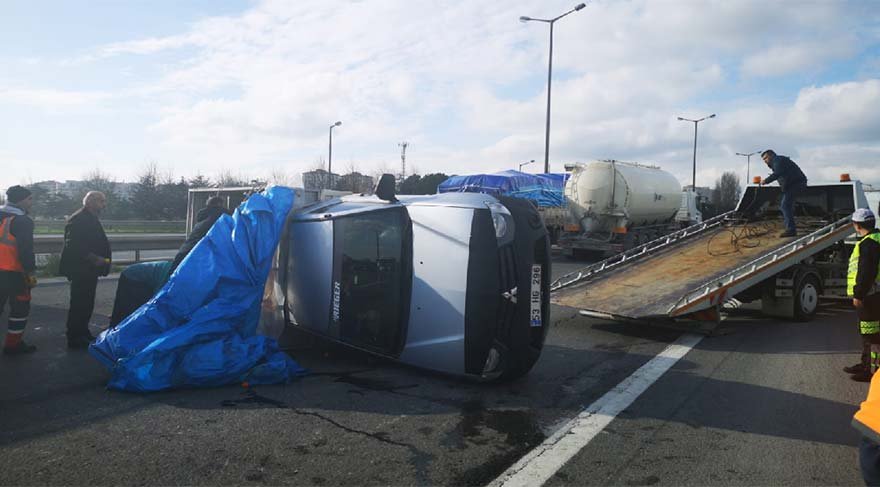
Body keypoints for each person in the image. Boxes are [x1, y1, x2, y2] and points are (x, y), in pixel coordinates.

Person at [60, 191, 111, 349]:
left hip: (88, 270)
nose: (104, 204)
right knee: (79, 303)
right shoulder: (78, 219)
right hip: (81, 269)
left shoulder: (89, 217)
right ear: (91, 202)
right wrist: (95, 258)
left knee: (86, 302)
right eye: (101, 201)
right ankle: (75, 336)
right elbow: (74, 245)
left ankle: (83, 332)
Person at [0, 186, 38, 355]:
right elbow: (25, 251)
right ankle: (13, 345)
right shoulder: (23, 221)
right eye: (30, 199)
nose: (31, 203)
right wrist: (31, 273)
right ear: (22, 200)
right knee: (20, 309)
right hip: (14, 273)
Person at [845, 208, 880, 383]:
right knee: (868, 333)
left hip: (870, 296)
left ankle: (872, 371)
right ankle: (866, 364)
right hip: (874, 294)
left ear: (857, 225)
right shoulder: (876, 239)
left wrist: (858, 294)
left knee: (871, 335)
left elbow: (866, 272)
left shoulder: (869, 243)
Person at [168, 196, 231, 274]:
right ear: (219, 204)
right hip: (198, 254)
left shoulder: (202, 214)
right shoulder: (222, 213)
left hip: (184, 252)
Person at [759, 149, 808, 238]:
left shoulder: (777, 160)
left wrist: (766, 181)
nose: (765, 161)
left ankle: (791, 230)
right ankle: (790, 227)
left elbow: (777, 173)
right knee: (786, 205)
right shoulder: (778, 161)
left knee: (785, 206)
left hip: (796, 184)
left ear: (771, 155)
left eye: (765, 158)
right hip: (794, 184)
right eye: (763, 160)